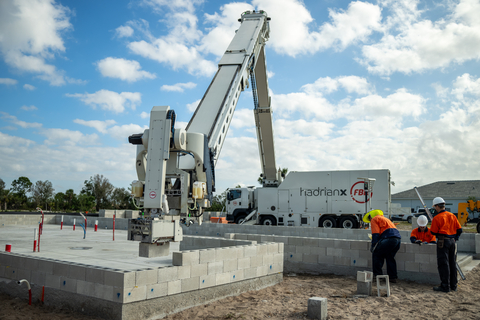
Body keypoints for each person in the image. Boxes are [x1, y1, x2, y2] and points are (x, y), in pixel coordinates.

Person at [429, 197, 462, 292]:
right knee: (452, 263)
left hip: (443, 242)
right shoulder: (452, 215)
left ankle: (445, 286)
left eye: (435, 207)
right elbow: (459, 230)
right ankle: (453, 285)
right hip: (452, 241)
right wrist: (455, 238)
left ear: (437, 206)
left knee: (443, 264)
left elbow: (433, 232)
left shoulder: (437, 218)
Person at [363, 209, 402, 283]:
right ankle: (392, 277)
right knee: (390, 257)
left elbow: (375, 234)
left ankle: (377, 276)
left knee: (376, 254)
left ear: (371, 216)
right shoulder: (385, 219)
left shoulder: (374, 219)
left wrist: (373, 246)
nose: (370, 221)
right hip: (397, 240)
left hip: (389, 239)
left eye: (369, 219)